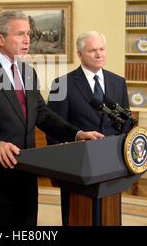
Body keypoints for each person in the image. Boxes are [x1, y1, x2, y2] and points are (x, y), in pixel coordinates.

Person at [0, 11, 104, 226]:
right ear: (0, 38)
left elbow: (41, 113)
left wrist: (76, 133)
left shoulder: (27, 72)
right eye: (20, 34)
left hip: (25, 178)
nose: (28, 40)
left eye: (29, 33)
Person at [47, 31, 130, 226]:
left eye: (102, 49)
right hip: (78, 163)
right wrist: (60, 168)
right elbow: (54, 128)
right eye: (93, 50)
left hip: (112, 160)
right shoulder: (62, 84)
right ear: (80, 54)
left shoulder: (118, 82)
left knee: (109, 216)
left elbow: (125, 122)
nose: (99, 54)